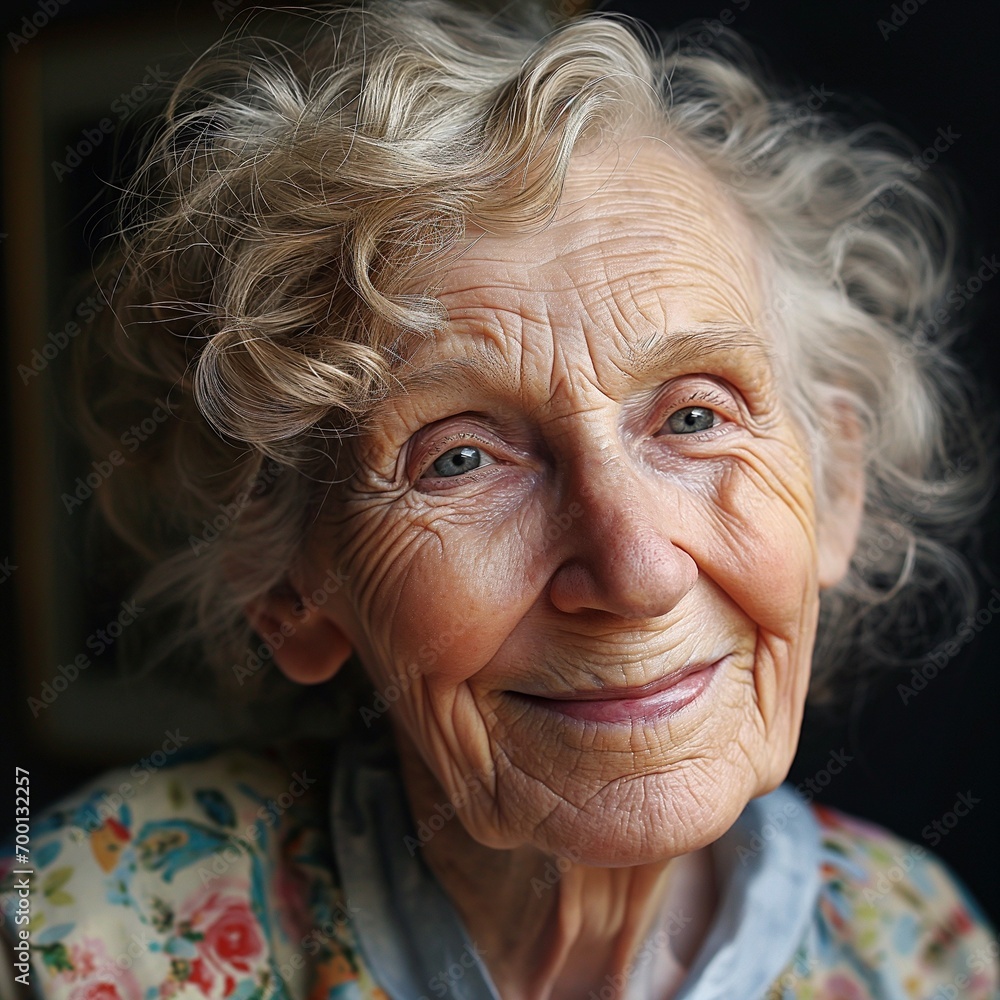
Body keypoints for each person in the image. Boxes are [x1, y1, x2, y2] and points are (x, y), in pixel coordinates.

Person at [1, 1, 997, 997]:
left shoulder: (920, 950)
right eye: (461, 460)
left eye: (694, 418)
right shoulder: (80, 938)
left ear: (836, 483)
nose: (635, 571)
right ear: (292, 588)